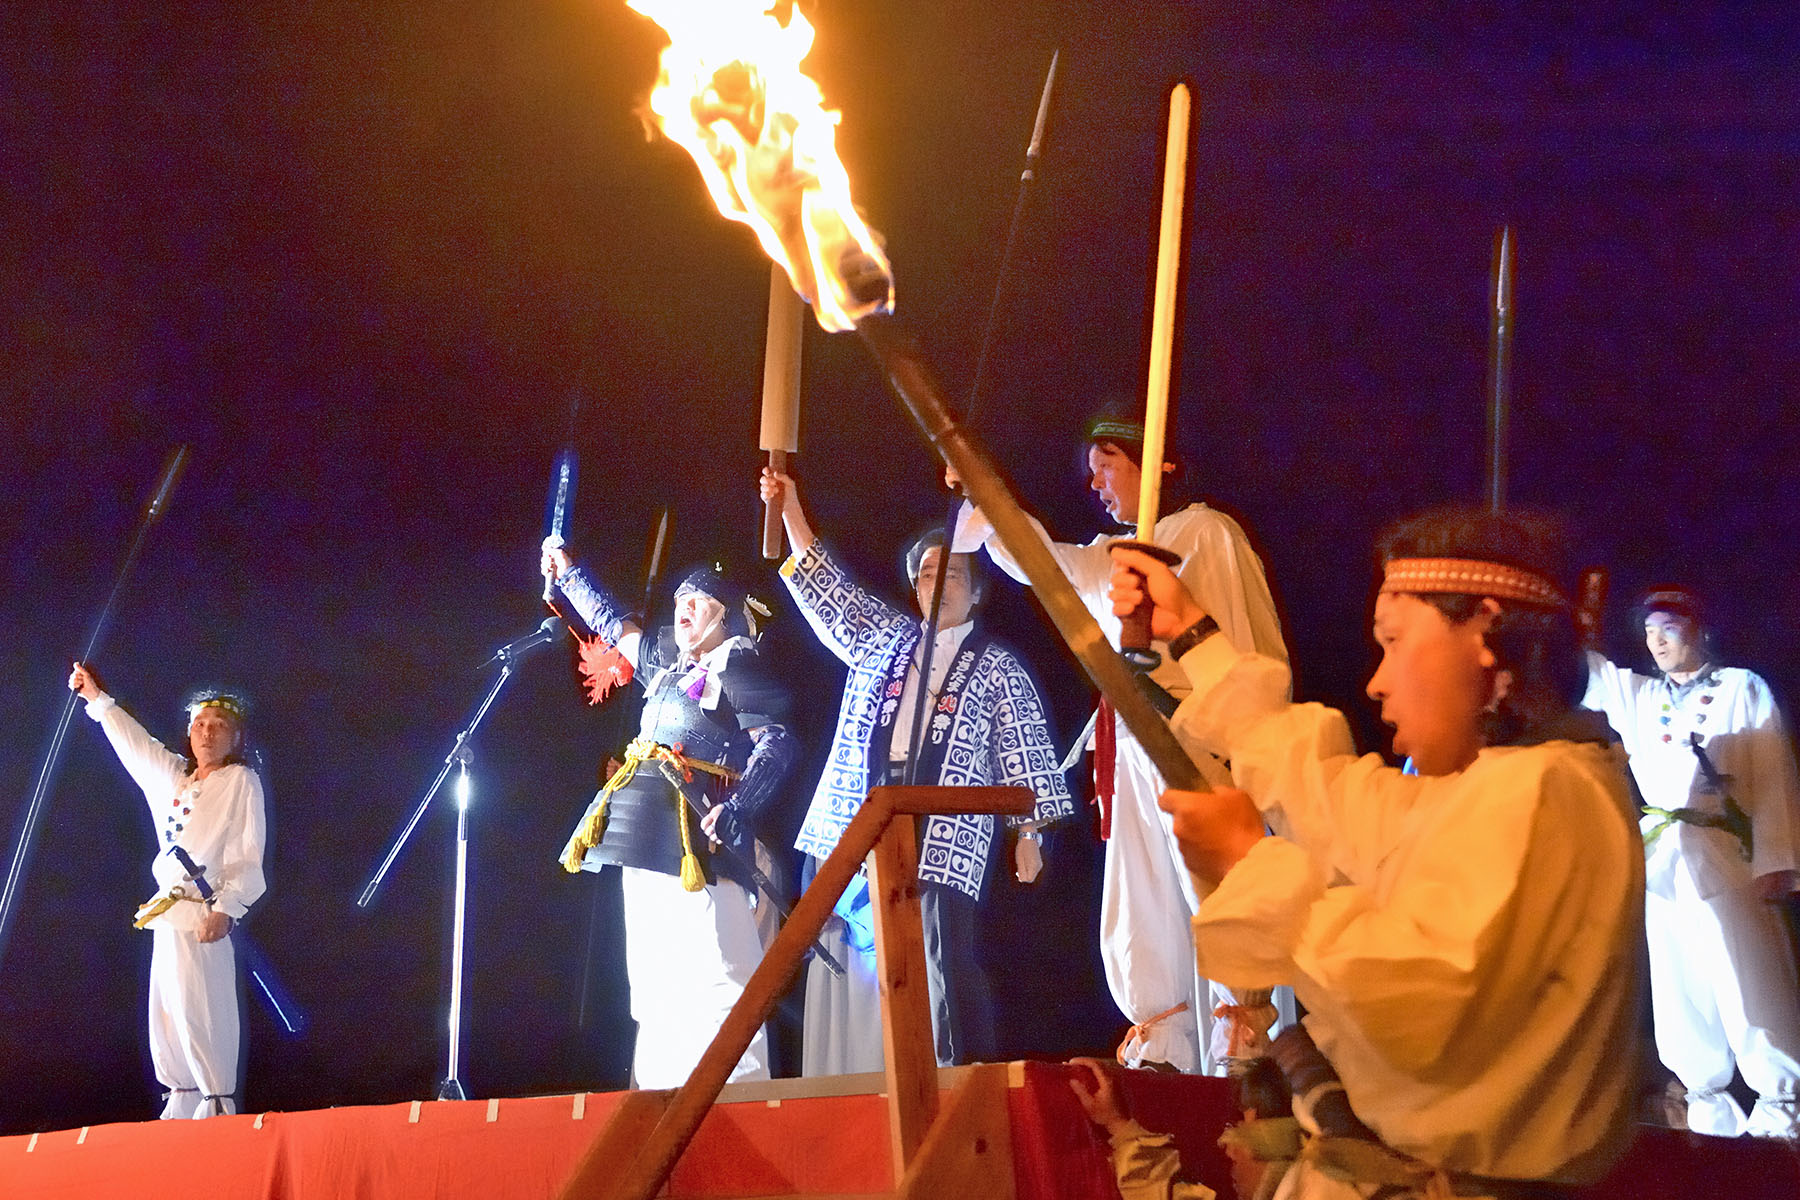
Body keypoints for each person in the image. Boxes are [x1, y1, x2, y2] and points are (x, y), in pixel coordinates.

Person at [1110, 506, 1645, 1196]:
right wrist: (1190, 634)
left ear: (1485, 632)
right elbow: (1327, 795)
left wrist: (1250, 865)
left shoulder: (1547, 793)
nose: (1377, 681)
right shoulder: (1496, 791)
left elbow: (1418, 1000)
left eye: (1393, 642)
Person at [951, 411, 1289, 1073]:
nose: (1095, 480)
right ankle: (1162, 1040)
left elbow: (1244, 652)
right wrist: (985, 494)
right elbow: (1045, 563)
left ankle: (1242, 1041)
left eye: (1107, 461)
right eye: (1091, 470)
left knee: (1214, 890)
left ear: (1156, 460)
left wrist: (1232, 742)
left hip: (1194, 741)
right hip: (1134, 745)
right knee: (1141, 893)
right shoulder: (1111, 554)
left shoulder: (1206, 532)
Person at [761, 467, 1074, 1071]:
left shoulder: (999, 666)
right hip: (861, 812)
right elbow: (826, 584)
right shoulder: (883, 637)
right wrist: (792, 504)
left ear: (977, 592)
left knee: (940, 959)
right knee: (846, 956)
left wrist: (1029, 835)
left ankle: (956, 1082)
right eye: (928, 572)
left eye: (953, 573)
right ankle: (847, 1078)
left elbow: (1025, 750)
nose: (938, 582)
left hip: (946, 825)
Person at [543, 547, 797, 1089]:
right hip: (640, 835)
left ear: (725, 614)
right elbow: (613, 623)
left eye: (698, 600)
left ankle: (740, 1103)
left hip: (698, 842)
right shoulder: (666, 668)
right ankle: (660, 1109)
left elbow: (775, 745)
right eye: (680, 599)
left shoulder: (736, 667)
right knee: (654, 985)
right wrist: (569, 574)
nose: (683, 608)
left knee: (722, 976)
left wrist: (740, 804)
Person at [1582, 585, 1800, 1137]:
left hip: (1724, 853)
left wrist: (1777, 858)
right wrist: (1580, 625)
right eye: (1649, 631)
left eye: (1668, 628)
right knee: (1679, 985)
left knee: (1747, 975)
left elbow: (1771, 772)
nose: (1655, 641)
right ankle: (1708, 1110)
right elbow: (1587, 675)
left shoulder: (1741, 686)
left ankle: (1781, 1107)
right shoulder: (1640, 695)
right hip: (1663, 862)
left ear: (1698, 629)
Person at [68, 662, 267, 1119]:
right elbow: (135, 746)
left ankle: (216, 1103)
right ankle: (181, 1099)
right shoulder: (174, 779)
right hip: (169, 910)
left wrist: (228, 906)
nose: (207, 733)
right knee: (167, 1006)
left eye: (219, 727)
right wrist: (96, 700)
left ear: (235, 738)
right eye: (200, 724)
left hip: (205, 908)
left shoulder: (240, 781)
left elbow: (247, 852)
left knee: (203, 1005)